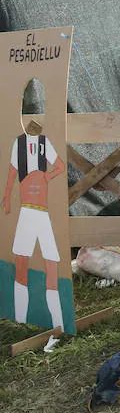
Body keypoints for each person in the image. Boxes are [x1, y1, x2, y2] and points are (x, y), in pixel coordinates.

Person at [3, 125, 66, 329]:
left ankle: (58, 322)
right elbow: (13, 170)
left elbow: (60, 166)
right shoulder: (18, 143)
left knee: (51, 263)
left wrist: (45, 177)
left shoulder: (44, 142)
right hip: (26, 211)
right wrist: (7, 196)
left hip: (42, 212)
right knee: (21, 262)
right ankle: (20, 319)